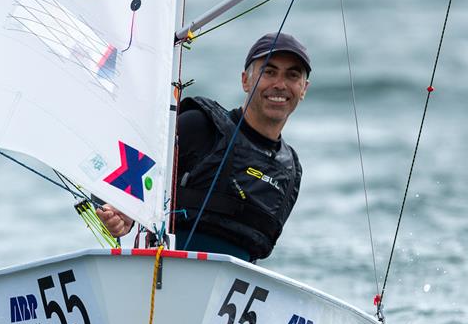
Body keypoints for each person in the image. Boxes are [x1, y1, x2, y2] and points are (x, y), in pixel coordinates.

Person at [97, 32, 310, 262]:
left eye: (292, 75)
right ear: (245, 80)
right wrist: (122, 212)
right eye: (269, 72)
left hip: (230, 292)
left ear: (303, 88)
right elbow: (119, 173)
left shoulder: (290, 172)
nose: (280, 84)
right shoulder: (199, 126)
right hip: (162, 276)